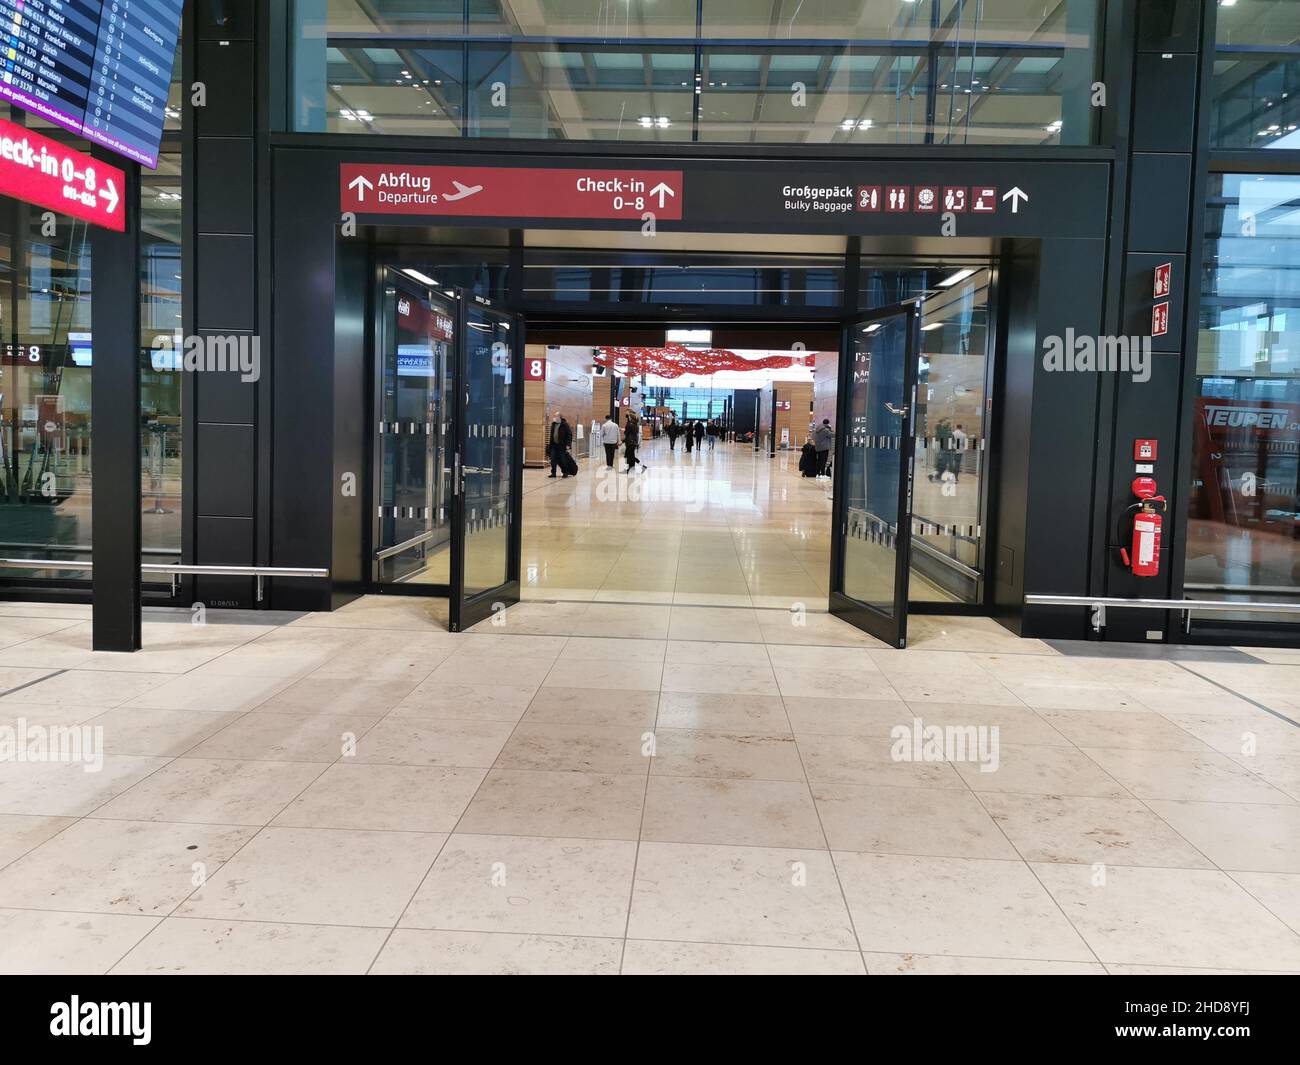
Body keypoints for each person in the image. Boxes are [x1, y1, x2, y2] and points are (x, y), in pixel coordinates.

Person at [548, 411, 573, 478]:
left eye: (556, 416)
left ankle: (565, 472)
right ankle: (553, 473)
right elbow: (552, 435)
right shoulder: (553, 424)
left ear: (559, 417)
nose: (554, 417)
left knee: (563, 459)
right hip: (554, 445)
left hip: (562, 446)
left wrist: (568, 444)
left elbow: (569, 435)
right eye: (554, 416)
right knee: (553, 459)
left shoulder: (565, 424)